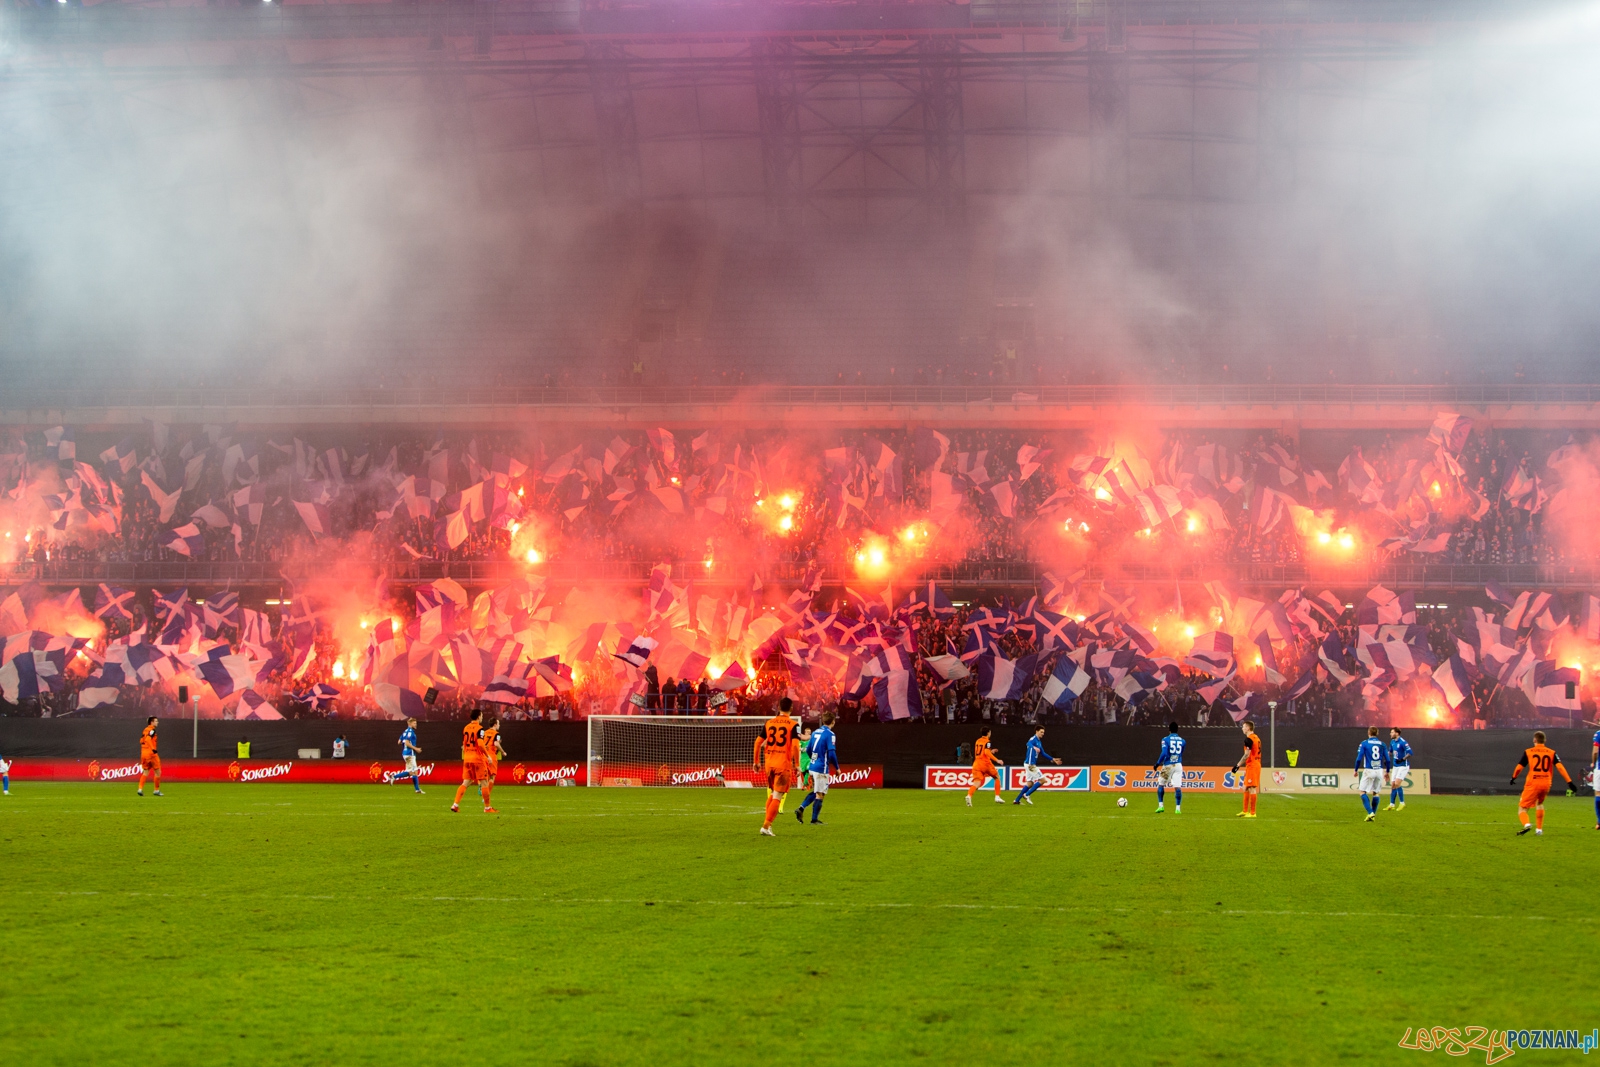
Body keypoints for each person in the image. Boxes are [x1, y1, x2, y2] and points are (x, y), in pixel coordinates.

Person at [1510, 730, 1576, 836]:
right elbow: (1560, 767)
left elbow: (1519, 767)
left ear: (1534, 740)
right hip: (1546, 783)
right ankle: (1539, 830)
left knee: (1522, 808)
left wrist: (1513, 777)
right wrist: (1569, 782)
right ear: (1545, 740)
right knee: (1539, 803)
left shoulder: (1529, 752)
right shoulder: (1551, 752)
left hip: (1533, 783)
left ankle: (1527, 824)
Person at [754, 697, 800, 836]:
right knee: (778, 796)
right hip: (782, 764)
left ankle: (767, 825)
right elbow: (796, 746)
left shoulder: (769, 723)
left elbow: (757, 742)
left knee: (774, 793)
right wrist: (797, 765)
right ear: (791, 708)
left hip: (769, 763)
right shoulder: (792, 724)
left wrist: (756, 761)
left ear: (778, 707)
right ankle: (766, 826)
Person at [795, 712, 838, 825]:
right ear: (833, 721)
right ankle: (814, 819)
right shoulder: (830, 734)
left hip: (813, 766)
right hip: (821, 768)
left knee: (816, 791)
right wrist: (837, 768)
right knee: (820, 794)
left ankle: (801, 808)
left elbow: (809, 749)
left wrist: (813, 760)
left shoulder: (815, 733)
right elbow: (832, 753)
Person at [1013, 727, 1062, 806]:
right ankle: (1027, 795)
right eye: (1041, 732)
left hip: (1029, 764)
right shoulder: (1033, 739)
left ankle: (1016, 800)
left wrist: (1052, 759)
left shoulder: (1039, 741)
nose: (1043, 734)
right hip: (1030, 764)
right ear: (1037, 731)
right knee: (1042, 780)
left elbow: (1043, 753)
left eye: (1043, 732)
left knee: (1030, 783)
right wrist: (1034, 747)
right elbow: (1028, 743)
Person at [452, 710, 486, 813]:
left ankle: (455, 804)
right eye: (482, 715)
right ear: (479, 716)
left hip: (467, 758)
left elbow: (464, 744)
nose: (482, 717)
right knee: (484, 781)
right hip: (477, 758)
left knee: (466, 782)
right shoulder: (480, 729)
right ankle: (488, 807)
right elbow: (480, 744)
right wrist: (487, 755)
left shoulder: (466, 728)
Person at [1354, 726, 1391, 823]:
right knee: (1376, 793)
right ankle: (1373, 815)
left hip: (1369, 770)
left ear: (1369, 732)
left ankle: (1370, 812)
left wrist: (1356, 770)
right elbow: (1387, 759)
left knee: (1362, 792)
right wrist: (1387, 772)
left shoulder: (1364, 743)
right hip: (1379, 770)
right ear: (1377, 733)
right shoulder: (1382, 744)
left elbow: (1359, 758)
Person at [965, 728, 1006, 807]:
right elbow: (986, 752)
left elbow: (982, 752)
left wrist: (991, 751)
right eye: (990, 732)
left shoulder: (977, 741)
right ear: (988, 733)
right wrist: (997, 760)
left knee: (977, 783)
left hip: (977, 763)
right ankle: (997, 797)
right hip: (986, 764)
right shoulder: (988, 741)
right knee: (997, 777)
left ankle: (969, 795)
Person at [1230, 720, 1260, 818]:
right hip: (1253, 764)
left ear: (1248, 728)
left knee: (1251, 788)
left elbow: (1247, 755)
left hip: (1253, 765)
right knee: (1245, 787)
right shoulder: (1256, 738)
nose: (1242, 728)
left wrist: (1237, 766)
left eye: (1243, 727)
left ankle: (1252, 813)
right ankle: (1244, 811)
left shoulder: (1249, 739)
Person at [1153, 722, 1185, 814]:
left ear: (1169, 730)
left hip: (1168, 764)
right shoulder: (1183, 741)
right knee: (1177, 787)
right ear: (1177, 729)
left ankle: (1161, 806)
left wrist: (1157, 763)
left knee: (1161, 784)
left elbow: (1164, 753)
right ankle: (1178, 809)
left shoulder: (1165, 739)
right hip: (1178, 764)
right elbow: (1181, 752)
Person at [387, 717, 425, 793]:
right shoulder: (410, 732)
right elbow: (407, 743)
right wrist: (416, 748)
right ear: (410, 724)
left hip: (405, 753)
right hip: (410, 754)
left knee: (411, 772)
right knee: (415, 772)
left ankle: (394, 777)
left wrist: (404, 744)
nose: (416, 724)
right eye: (414, 723)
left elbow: (399, 742)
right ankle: (417, 789)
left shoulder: (405, 732)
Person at [479, 716, 504, 814]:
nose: (499, 725)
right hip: (492, 756)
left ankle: (483, 793)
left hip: (483, 755)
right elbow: (496, 744)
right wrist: (503, 751)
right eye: (498, 723)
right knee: (492, 777)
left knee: (485, 778)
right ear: (495, 724)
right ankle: (486, 797)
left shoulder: (484, 732)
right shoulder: (497, 734)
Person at [1386, 728, 1413, 811]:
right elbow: (1390, 752)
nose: (1390, 734)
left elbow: (1410, 753)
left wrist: (1403, 759)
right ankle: (1392, 804)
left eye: (1392, 732)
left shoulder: (1402, 742)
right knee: (1393, 784)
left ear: (1397, 733)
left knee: (1397, 783)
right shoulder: (1392, 742)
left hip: (1403, 766)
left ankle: (1402, 803)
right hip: (1395, 766)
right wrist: (1386, 758)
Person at [138, 716, 162, 797]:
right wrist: (153, 749)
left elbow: (141, 741)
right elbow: (148, 739)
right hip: (151, 754)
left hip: (143, 753)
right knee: (158, 772)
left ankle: (140, 789)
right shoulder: (152, 730)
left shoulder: (145, 730)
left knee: (145, 772)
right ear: (151, 722)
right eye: (156, 721)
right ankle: (156, 790)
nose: (157, 722)